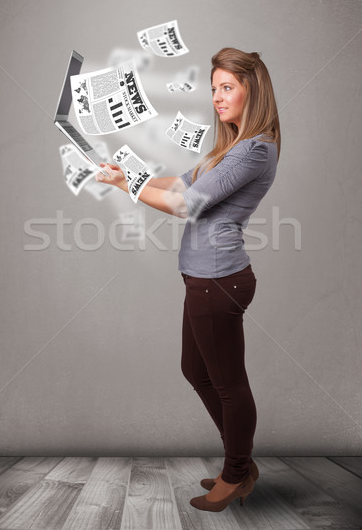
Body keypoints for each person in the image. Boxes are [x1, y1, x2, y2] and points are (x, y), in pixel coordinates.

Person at [96, 47, 281, 513]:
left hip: (220, 281)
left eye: (227, 88)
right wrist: (129, 176)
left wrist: (126, 188)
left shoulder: (256, 150)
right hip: (203, 279)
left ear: (252, 92)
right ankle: (239, 462)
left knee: (228, 383)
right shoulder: (230, 148)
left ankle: (237, 472)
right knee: (195, 371)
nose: (217, 97)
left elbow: (187, 206)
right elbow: (181, 185)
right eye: (214, 88)